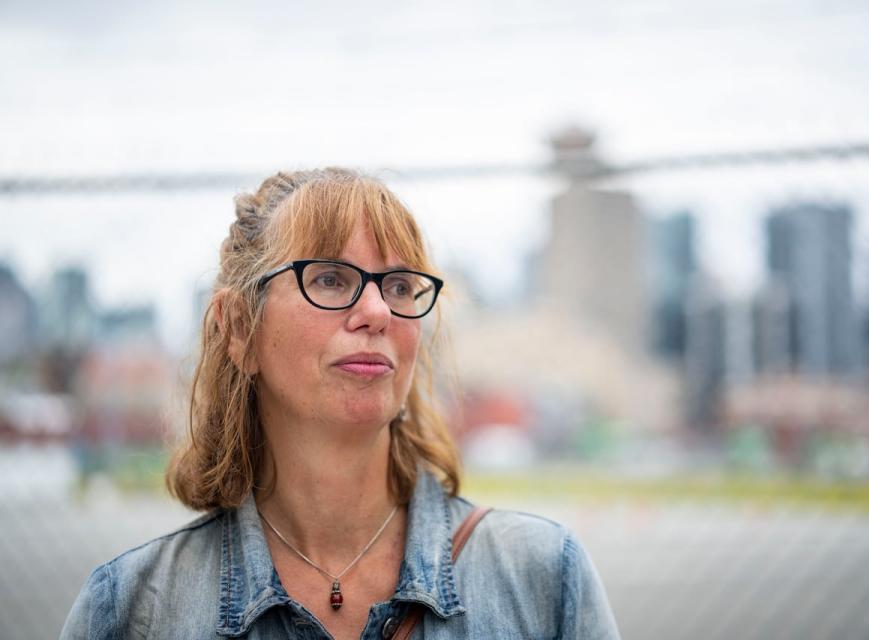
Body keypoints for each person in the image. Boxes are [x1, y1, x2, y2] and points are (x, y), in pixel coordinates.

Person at [60, 168, 620, 639]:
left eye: (400, 286)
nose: (378, 311)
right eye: (329, 278)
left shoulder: (546, 579)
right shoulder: (131, 610)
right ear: (239, 330)